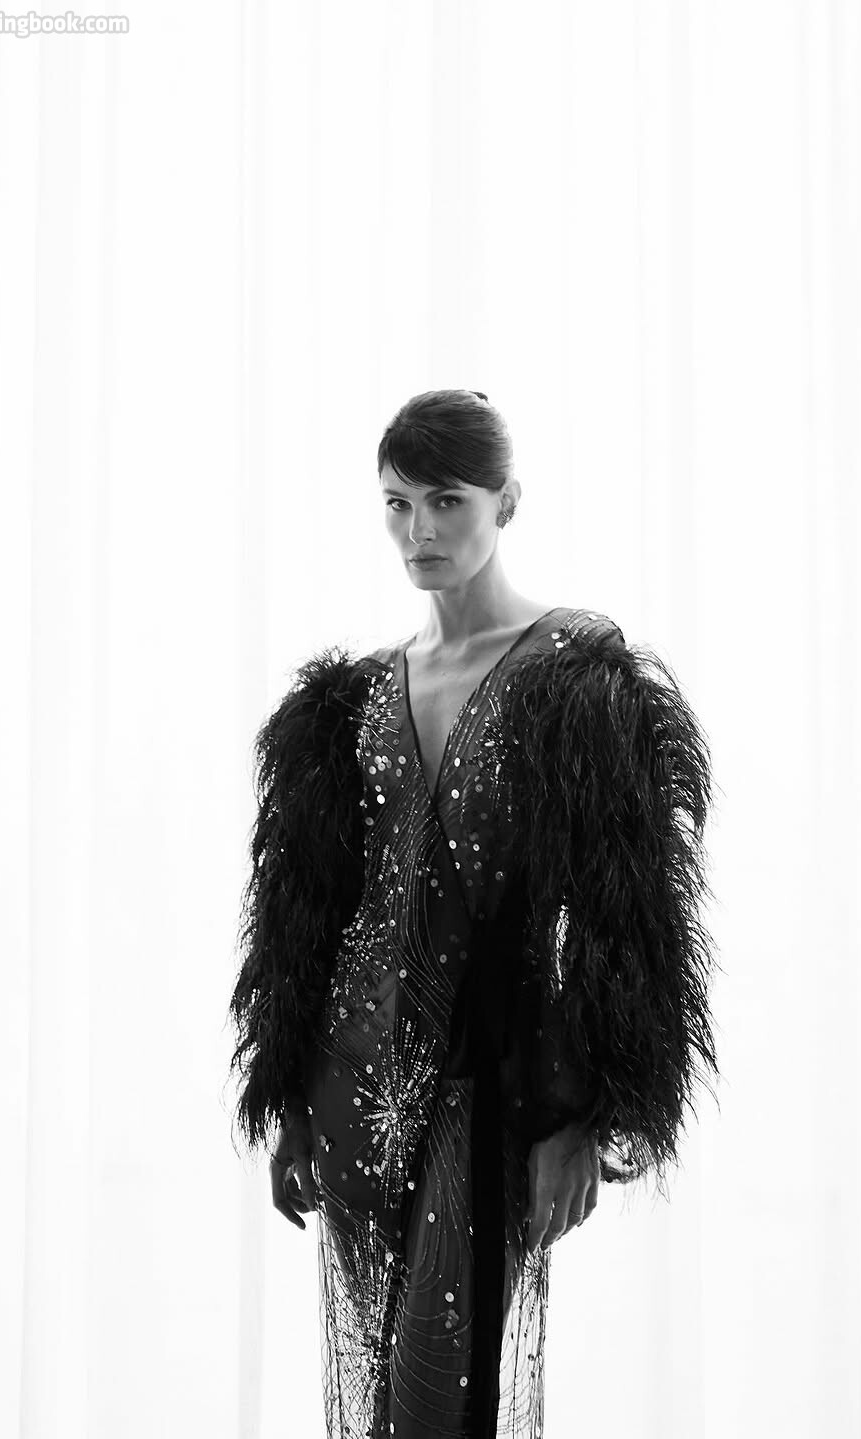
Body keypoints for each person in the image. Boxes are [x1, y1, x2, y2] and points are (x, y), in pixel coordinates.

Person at [227, 389, 719, 1439]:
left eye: (447, 500)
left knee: (438, 1393)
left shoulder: (571, 667)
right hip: (354, 1076)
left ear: (508, 502)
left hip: (490, 1079)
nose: (420, 530)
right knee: (372, 1395)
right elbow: (311, 910)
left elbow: (625, 917)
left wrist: (588, 1113)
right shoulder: (359, 694)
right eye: (397, 503)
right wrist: (287, 1096)